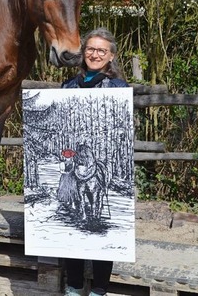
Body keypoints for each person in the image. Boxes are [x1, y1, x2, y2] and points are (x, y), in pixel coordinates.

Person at [61, 27, 128, 296]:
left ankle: (100, 287)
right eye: (90, 49)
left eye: (101, 50)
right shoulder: (68, 86)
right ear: (83, 53)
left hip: (101, 149)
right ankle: (74, 284)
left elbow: (121, 126)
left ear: (111, 56)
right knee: (73, 209)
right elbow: (66, 124)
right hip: (76, 152)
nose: (95, 54)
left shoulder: (119, 88)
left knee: (101, 198)